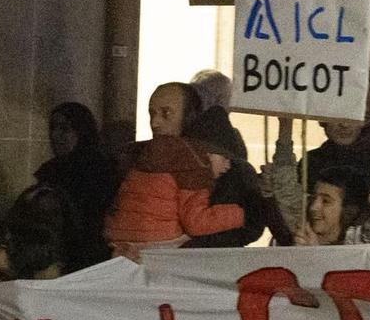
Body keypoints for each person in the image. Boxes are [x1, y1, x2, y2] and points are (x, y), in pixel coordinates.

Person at [104, 83, 247, 253]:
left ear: (190, 117)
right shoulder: (131, 157)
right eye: (152, 113)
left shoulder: (222, 166)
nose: (155, 123)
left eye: (166, 113)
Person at [185, 107, 295, 249]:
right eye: (225, 157)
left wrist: (266, 195)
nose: (227, 165)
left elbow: (282, 233)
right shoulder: (183, 182)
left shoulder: (240, 175)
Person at [35, 102, 120, 270]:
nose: (55, 135)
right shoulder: (50, 171)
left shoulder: (101, 170)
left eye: (65, 129)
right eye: (53, 128)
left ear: (82, 131)